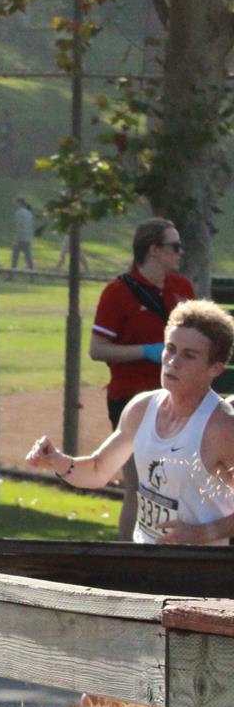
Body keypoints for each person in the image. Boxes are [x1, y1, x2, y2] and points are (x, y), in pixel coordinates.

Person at [28, 301, 234, 544]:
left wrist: (200, 534)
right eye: (170, 348)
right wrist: (58, 461)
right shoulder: (142, 408)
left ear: (215, 368)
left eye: (189, 356)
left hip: (199, 572)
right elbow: (97, 469)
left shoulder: (222, 427)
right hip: (144, 560)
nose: (173, 362)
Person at [92, 218, 196, 541]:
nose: (180, 253)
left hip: (178, 400)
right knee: (138, 486)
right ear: (153, 250)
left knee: (182, 483)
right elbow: (97, 349)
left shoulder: (183, 289)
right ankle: (129, 555)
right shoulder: (117, 292)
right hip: (131, 401)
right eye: (174, 246)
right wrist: (144, 351)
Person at [11, 197, 36, 271]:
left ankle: (11, 274)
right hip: (27, 238)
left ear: (19, 203)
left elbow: (19, 226)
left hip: (21, 238)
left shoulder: (18, 213)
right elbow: (31, 225)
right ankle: (32, 275)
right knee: (28, 258)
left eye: (15, 202)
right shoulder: (29, 213)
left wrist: (16, 239)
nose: (14, 204)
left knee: (15, 257)